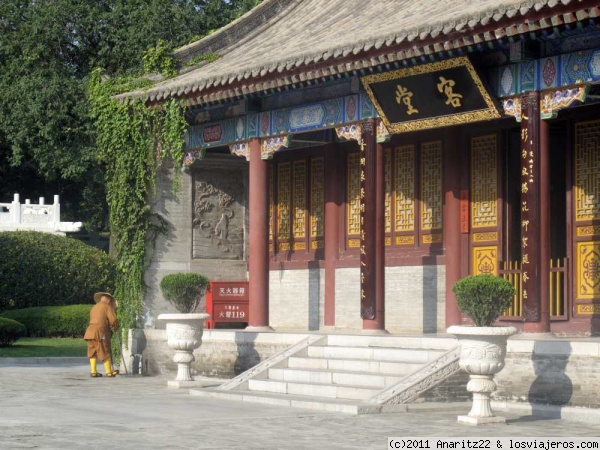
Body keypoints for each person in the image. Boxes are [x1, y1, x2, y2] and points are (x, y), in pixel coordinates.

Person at [83, 292, 119, 378]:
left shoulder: (94, 307)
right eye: (110, 300)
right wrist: (115, 328)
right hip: (100, 332)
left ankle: (93, 371)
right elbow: (113, 320)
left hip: (90, 332)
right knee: (104, 350)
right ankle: (109, 372)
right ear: (108, 300)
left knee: (92, 352)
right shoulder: (107, 307)